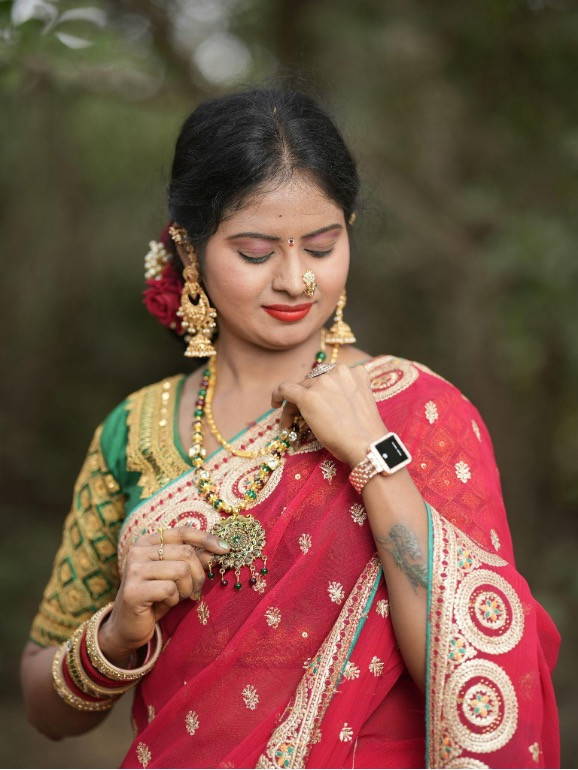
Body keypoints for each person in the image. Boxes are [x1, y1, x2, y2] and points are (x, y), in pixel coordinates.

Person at [21, 88, 560, 769]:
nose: (297, 280)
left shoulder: (421, 412)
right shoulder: (132, 433)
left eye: (323, 245)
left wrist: (372, 456)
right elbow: (46, 709)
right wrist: (118, 632)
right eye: (255, 251)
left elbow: (481, 677)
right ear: (189, 249)